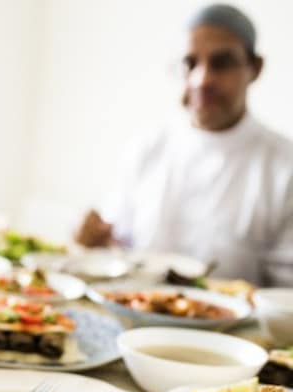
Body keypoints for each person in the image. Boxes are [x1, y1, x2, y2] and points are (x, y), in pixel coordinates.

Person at [76, 3, 293, 286]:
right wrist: (95, 245)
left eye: (222, 63)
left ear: (255, 68)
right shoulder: (148, 148)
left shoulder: (283, 166)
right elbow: (119, 251)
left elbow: (286, 297)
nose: (201, 80)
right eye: (190, 63)